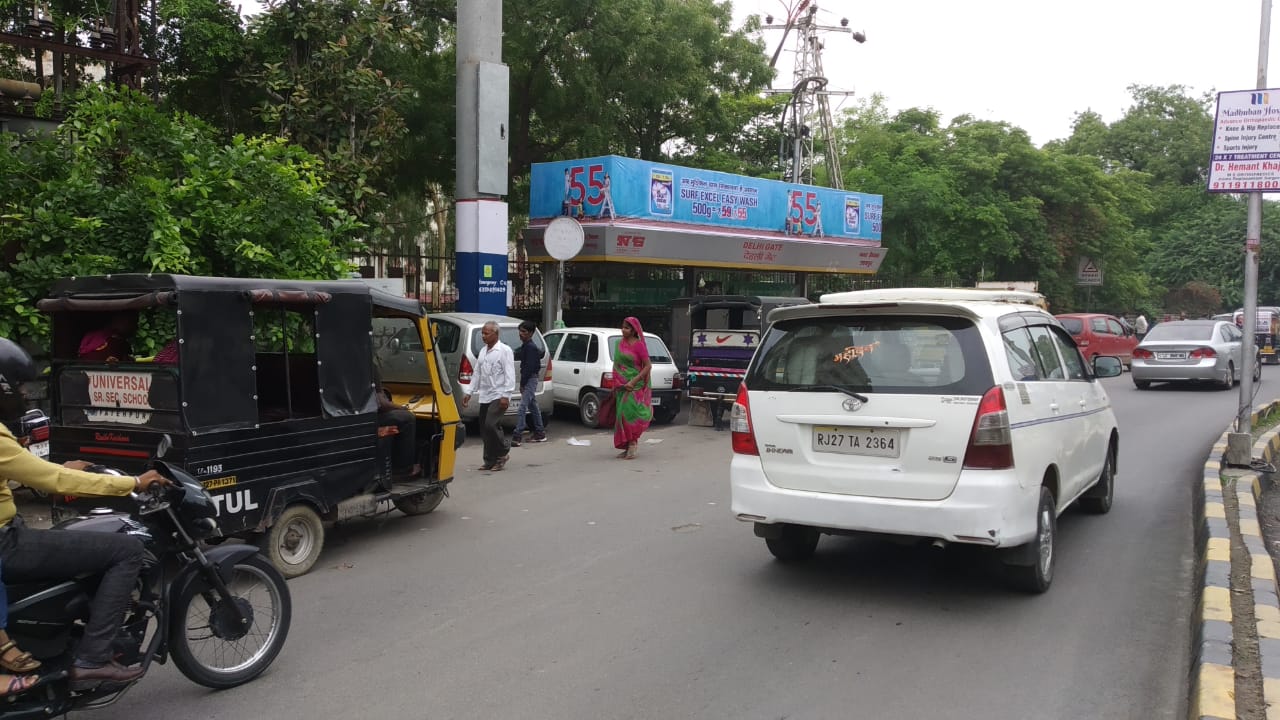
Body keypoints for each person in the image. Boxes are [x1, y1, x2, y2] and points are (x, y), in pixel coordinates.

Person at [0, 337, 170, 686]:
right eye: (18, 387)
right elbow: (56, 482)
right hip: (6, 542)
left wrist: (55, 466)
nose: (23, 395)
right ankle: (92, 658)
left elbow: (17, 472)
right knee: (127, 550)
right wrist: (133, 483)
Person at [461, 321, 515, 471]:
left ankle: (503, 452)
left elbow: (510, 374)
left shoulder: (505, 350)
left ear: (496, 334)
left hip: (499, 394)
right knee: (484, 429)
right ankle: (490, 459)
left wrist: (506, 395)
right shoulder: (484, 351)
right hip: (485, 394)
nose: (483, 336)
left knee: (491, 424)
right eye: (482, 333)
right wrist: (469, 392)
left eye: (486, 333)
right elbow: (477, 373)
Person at [611, 317, 653, 460]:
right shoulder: (618, 344)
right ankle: (627, 445)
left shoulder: (639, 345)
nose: (623, 330)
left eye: (627, 328)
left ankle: (633, 443)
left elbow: (648, 366)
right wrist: (616, 382)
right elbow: (616, 365)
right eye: (622, 327)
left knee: (631, 415)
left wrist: (633, 381)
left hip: (634, 385)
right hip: (621, 385)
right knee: (621, 416)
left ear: (634, 330)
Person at [374, 368, 418, 479]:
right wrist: (402, 408)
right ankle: (403, 469)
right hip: (366, 420)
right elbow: (382, 404)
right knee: (408, 418)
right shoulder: (368, 365)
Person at [511, 321, 547, 447]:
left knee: (522, 407)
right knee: (533, 406)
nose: (521, 334)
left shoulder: (530, 347)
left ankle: (517, 435)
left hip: (530, 379)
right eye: (520, 331)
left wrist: (523, 383)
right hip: (530, 378)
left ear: (531, 333)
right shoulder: (527, 346)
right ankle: (540, 432)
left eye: (524, 332)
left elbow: (530, 368)